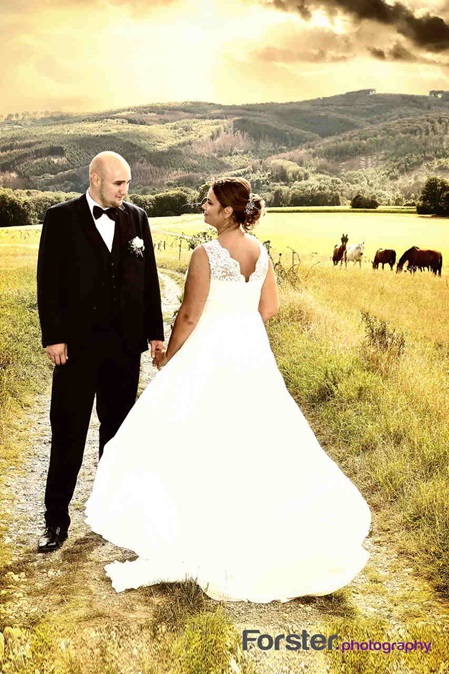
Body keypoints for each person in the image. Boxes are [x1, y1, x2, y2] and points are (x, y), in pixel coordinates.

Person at [85, 177, 371, 602]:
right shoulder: (260, 252)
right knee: (252, 435)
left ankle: (194, 525)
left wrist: (169, 356)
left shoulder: (207, 253)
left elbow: (188, 315)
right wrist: (240, 326)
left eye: (210, 202)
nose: (203, 206)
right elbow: (268, 307)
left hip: (209, 350)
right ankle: (253, 523)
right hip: (250, 353)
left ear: (227, 212)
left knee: (191, 431)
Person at [36, 151, 164, 553]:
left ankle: (113, 514)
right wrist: (53, 337)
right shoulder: (60, 218)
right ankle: (55, 521)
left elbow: (150, 281)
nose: (126, 191)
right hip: (75, 351)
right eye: (118, 183)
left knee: (118, 434)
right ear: (95, 179)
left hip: (125, 350)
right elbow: (48, 283)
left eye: (127, 183)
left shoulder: (137, 218)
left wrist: (154, 334)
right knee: (68, 433)